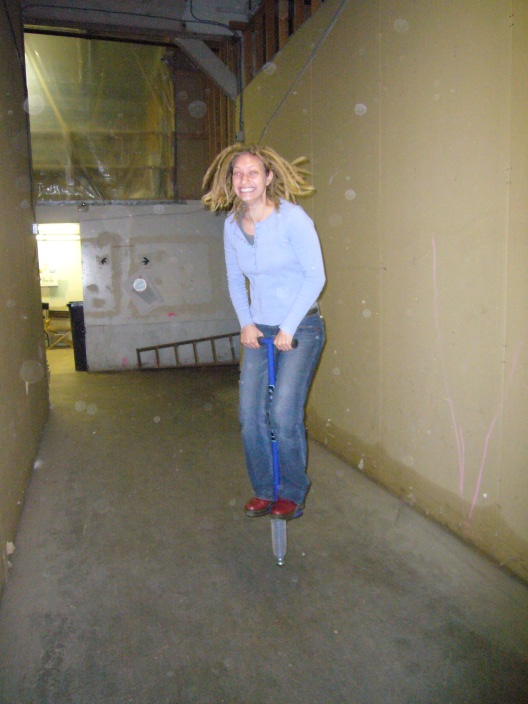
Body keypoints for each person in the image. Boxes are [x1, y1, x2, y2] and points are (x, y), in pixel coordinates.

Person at [202, 143, 326, 519]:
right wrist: (246, 323)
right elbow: (234, 279)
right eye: (238, 173)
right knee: (249, 415)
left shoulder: (293, 219)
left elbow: (315, 277)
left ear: (269, 177)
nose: (245, 180)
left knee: (283, 414)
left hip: (301, 326)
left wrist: (288, 327)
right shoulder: (232, 225)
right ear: (231, 180)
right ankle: (264, 489)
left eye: (253, 172)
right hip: (258, 329)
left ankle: (292, 491)